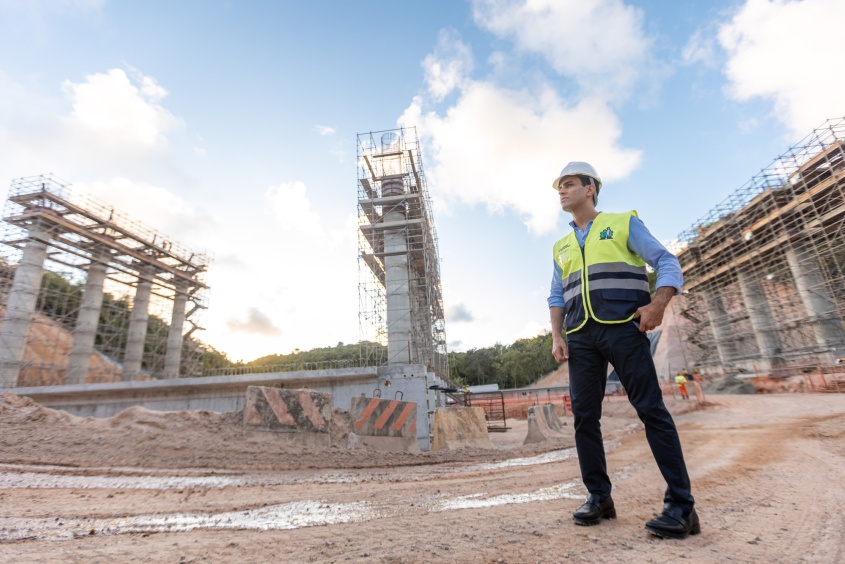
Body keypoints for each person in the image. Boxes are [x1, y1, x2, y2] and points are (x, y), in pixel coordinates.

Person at [547, 161, 699, 539]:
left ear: (590, 189)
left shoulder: (623, 222)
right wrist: (556, 335)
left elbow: (666, 260)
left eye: (569, 184)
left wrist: (659, 303)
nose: (562, 191)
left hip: (624, 327)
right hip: (581, 334)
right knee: (585, 417)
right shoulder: (561, 246)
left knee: (650, 410)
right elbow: (556, 294)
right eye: (559, 187)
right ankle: (600, 497)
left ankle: (681, 506)